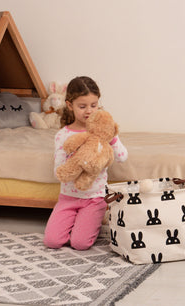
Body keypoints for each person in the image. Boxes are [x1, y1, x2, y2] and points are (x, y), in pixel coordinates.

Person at [43, 76, 128, 250]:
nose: (88, 111)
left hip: (94, 198)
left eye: (93, 105)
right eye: (82, 107)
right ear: (69, 105)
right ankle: (78, 222)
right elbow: (58, 172)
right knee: (52, 241)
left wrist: (111, 138)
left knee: (80, 244)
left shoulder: (103, 132)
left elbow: (122, 156)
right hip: (68, 198)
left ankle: (93, 218)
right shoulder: (62, 135)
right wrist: (78, 159)